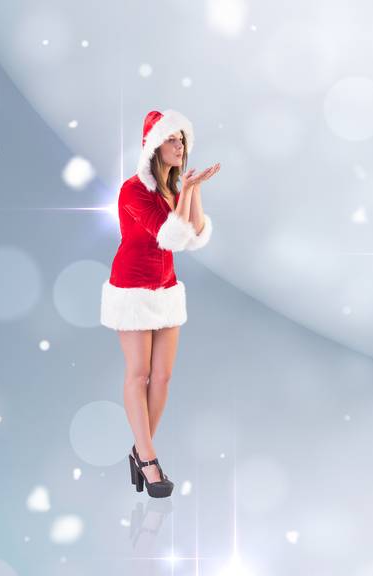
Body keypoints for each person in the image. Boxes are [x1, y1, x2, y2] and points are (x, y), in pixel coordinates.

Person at [100, 110, 219, 498]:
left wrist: (193, 190)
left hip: (166, 287)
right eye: (173, 139)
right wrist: (185, 192)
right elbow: (169, 235)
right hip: (133, 286)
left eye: (183, 140)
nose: (180, 146)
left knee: (163, 377)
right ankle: (149, 461)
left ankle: (138, 450)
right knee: (139, 375)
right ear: (155, 147)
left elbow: (195, 235)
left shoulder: (174, 188)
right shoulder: (133, 190)